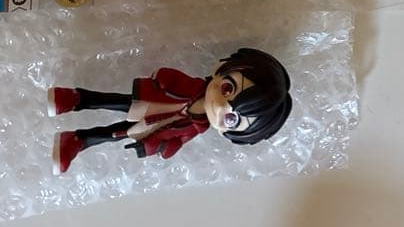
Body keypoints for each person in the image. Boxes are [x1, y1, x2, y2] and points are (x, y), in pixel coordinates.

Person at [49, 47, 293, 173]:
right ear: (221, 68)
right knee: (116, 102)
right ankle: (75, 98)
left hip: (154, 126)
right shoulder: (195, 88)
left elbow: (179, 138)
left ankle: (78, 140)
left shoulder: (198, 127)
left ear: (229, 134)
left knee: (119, 133)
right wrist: (163, 80)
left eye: (231, 119)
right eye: (227, 88)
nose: (220, 106)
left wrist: (165, 148)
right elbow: (173, 78)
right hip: (153, 102)